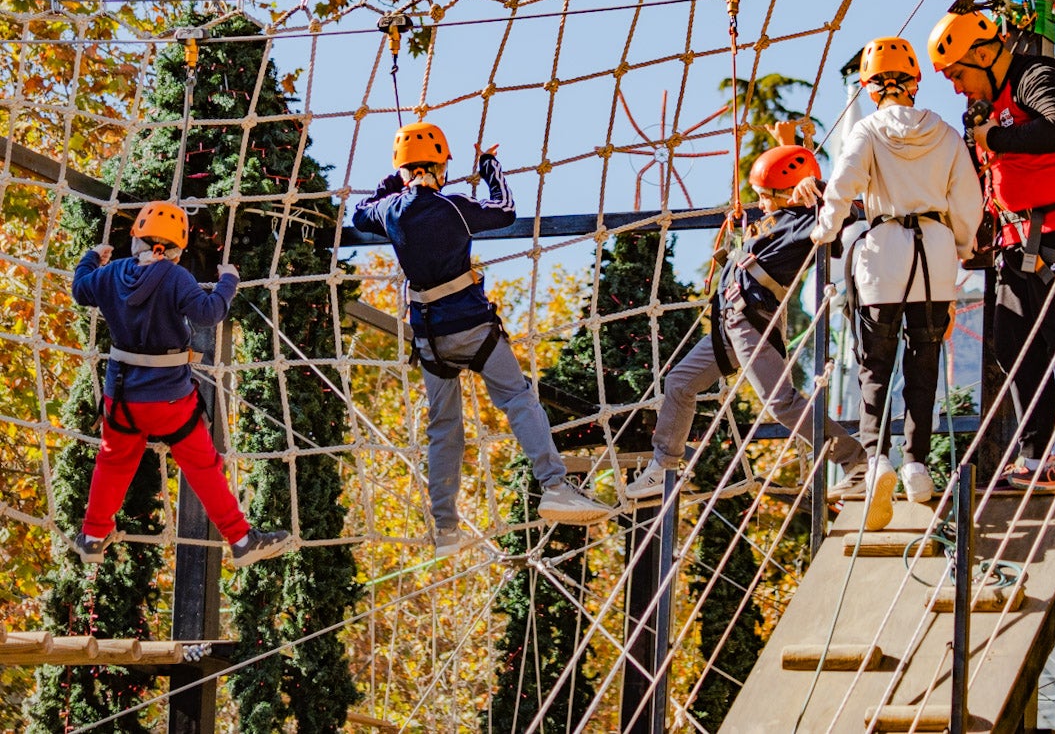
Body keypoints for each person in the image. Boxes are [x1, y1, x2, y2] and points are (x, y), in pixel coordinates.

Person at [352, 121, 610, 557]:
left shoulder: (390, 210)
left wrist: (392, 180)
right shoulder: (452, 207)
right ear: (438, 167)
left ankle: (446, 529)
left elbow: (359, 212)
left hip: (430, 339)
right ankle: (554, 484)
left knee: (444, 429)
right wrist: (490, 165)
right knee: (518, 398)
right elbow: (504, 209)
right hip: (473, 327)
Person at [800, 37, 982, 531]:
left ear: (870, 86)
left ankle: (878, 457)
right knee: (925, 363)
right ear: (914, 82)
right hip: (936, 257)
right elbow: (969, 200)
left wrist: (826, 229)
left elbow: (842, 185)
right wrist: (960, 246)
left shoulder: (868, 131)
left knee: (874, 365)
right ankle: (917, 465)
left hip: (883, 258)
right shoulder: (943, 133)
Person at [626, 141, 869, 502]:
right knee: (679, 382)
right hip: (729, 320)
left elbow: (858, 211)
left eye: (766, 195)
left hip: (753, 318)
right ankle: (664, 468)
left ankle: (856, 461)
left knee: (781, 403)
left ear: (790, 193)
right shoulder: (776, 218)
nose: (762, 202)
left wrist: (820, 188)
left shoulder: (811, 218)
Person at [928, 10, 1055, 491]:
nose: (957, 88)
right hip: (1016, 240)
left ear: (986, 55)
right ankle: (1034, 454)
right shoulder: (986, 109)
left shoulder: (1039, 76)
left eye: (959, 74)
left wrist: (996, 138)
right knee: (1012, 345)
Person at [72, 201, 288, 567]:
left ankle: (92, 536)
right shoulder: (177, 278)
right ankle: (240, 539)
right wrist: (228, 281)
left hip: (122, 397)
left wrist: (93, 258)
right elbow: (209, 313)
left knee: (112, 462)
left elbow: (81, 290)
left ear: (136, 238)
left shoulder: (111, 275)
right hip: (170, 403)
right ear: (176, 250)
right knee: (203, 467)